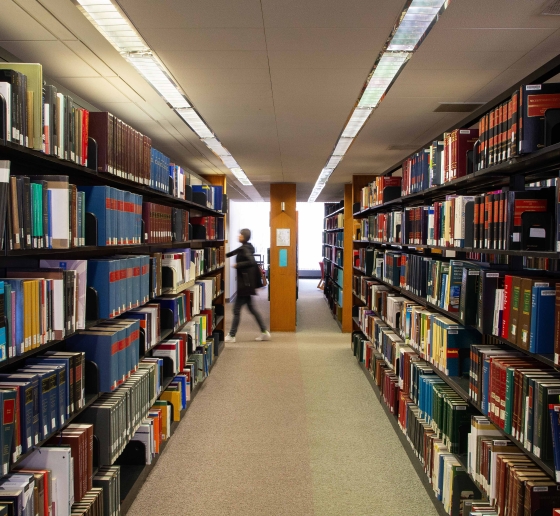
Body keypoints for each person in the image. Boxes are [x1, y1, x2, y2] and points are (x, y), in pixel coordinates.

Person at [225, 228, 271, 342]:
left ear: (244, 236)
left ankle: (231, 335)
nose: (238, 236)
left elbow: (251, 261)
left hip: (244, 285)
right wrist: (224, 254)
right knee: (252, 309)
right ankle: (264, 331)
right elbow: (233, 252)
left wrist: (238, 265)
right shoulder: (245, 247)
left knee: (236, 310)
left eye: (240, 235)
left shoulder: (245, 248)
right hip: (247, 284)